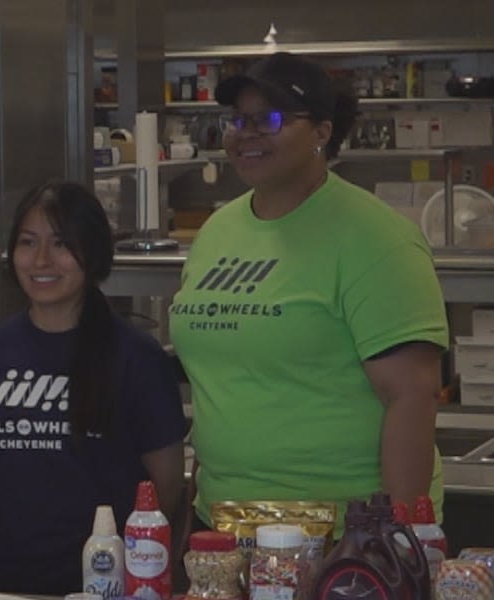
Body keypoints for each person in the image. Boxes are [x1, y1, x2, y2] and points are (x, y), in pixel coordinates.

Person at [169, 51, 448, 534]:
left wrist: (395, 541)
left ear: (322, 131)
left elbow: (412, 397)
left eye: (270, 119)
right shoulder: (218, 230)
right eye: (238, 120)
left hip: (343, 533)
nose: (247, 132)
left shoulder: (375, 237)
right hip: (223, 523)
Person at [0, 181, 187, 594]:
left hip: (103, 581)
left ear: (94, 253)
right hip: (4, 579)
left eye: (62, 243)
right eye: (28, 242)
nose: (42, 259)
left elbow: (167, 485)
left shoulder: (136, 356)